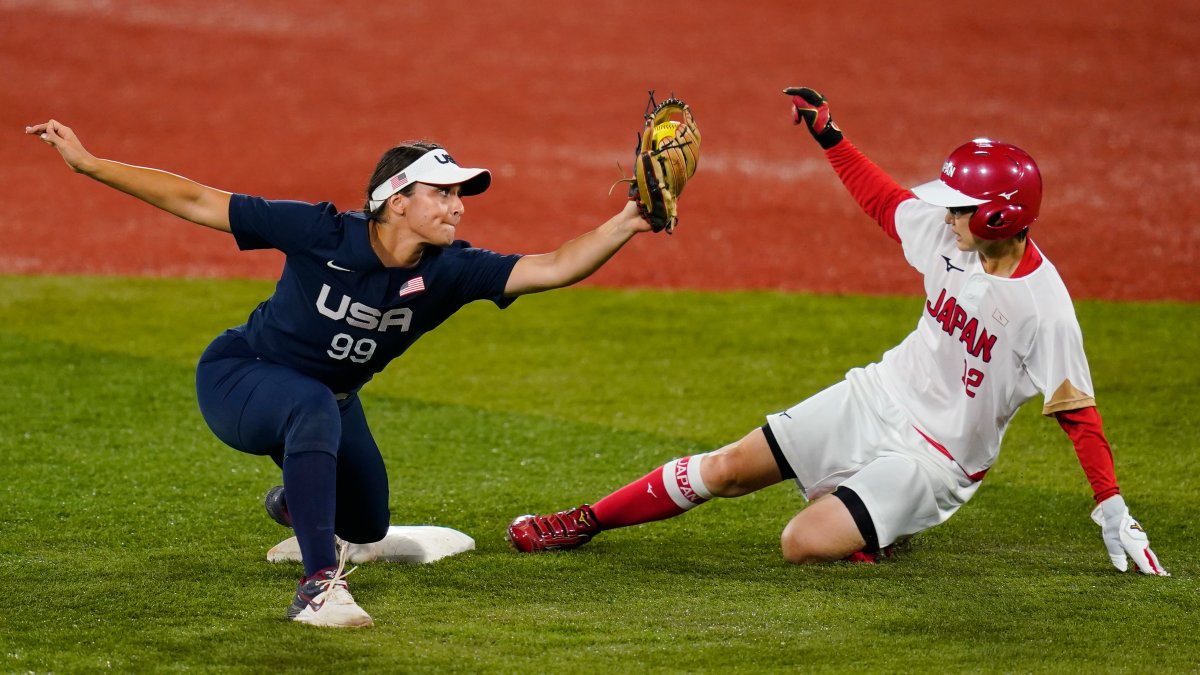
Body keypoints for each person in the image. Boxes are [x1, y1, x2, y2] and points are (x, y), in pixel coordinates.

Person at [506, 87, 1170, 577]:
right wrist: (831, 135)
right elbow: (886, 201)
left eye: (961, 206)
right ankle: (584, 520)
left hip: (934, 460)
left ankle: (878, 523)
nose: (946, 213)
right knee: (730, 468)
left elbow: (1077, 412)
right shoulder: (947, 236)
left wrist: (1111, 507)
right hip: (878, 395)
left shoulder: (1043, 307)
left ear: (999, 215)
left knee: (800, 541)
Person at [27, 119, 659, 628]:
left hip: (330, 402)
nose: (457, 207)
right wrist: (89, 163)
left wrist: (627, 221)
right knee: (310, 406)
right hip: (241, 379)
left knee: (367, 525)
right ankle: (315, 589)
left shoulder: (451, 270)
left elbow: (552, 267)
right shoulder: (320, 231)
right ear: (396, 199)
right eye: (442, 193)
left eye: (459, 194)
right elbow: (197, 200)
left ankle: (297, 508)